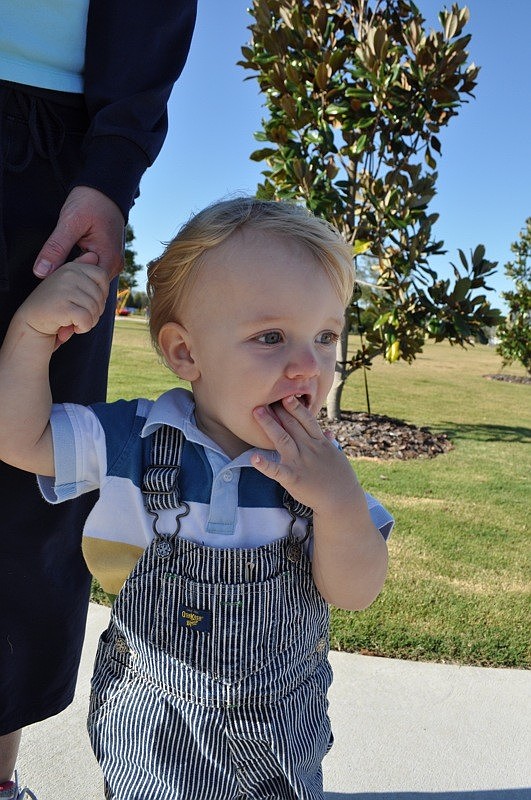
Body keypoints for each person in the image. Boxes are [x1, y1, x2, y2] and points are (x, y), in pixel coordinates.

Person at [0, 197, 394, 800]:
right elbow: (21, 439)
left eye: (325, 336)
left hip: (278, 745)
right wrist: (30, 334)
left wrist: (339, 503)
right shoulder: (136, 438)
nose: (307, 365)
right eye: (271, 336)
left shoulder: (321, 473)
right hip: (151, 737)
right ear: (186, 353)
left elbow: (356, 590)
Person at [0, 2, 197, 798]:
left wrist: (111, 167)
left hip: (45, 136)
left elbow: (30, 448)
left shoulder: (158, 439)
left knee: (19, 516)